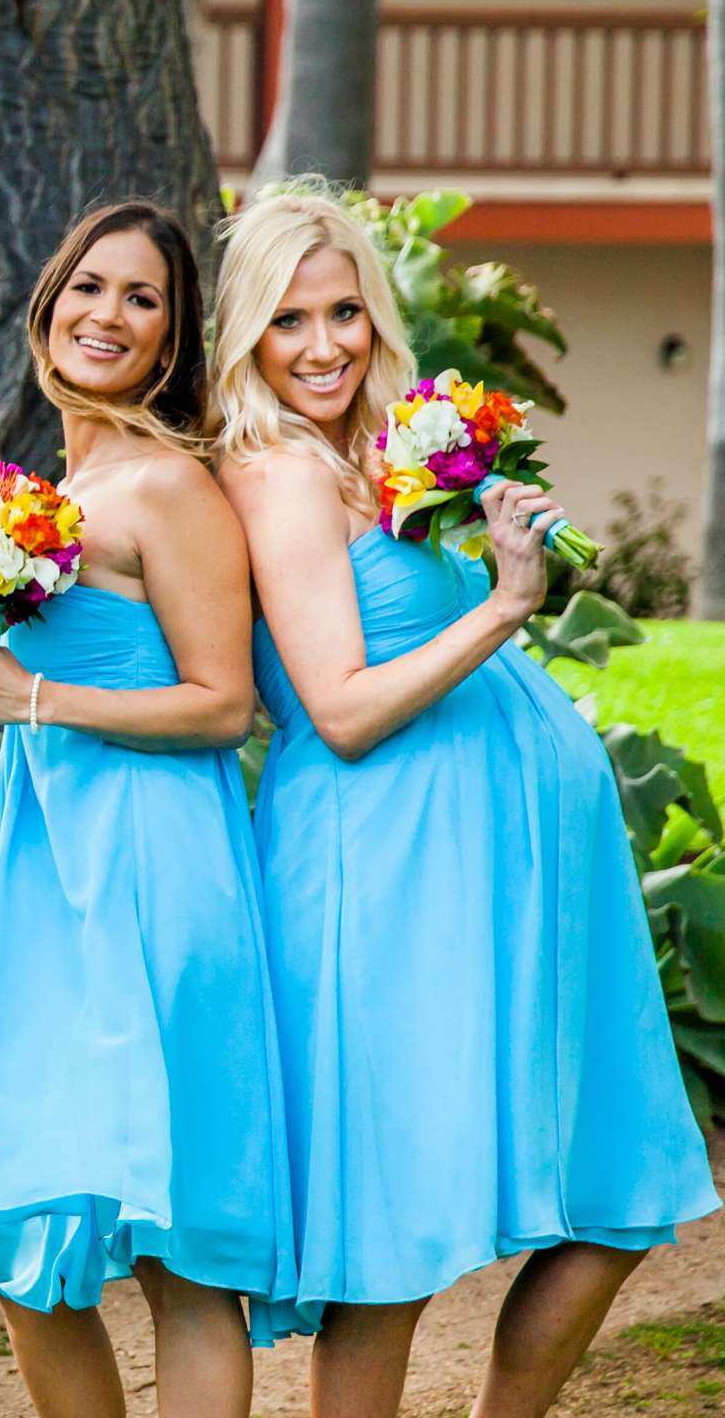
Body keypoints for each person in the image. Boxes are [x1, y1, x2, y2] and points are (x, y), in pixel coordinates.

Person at [211, 185, 717, 1415]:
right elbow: (336, 706)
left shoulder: (384, 448)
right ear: (247, 338)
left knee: (626, 1185)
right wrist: (502, 604)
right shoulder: (277, 472)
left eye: (343, 312)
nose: (324, 344)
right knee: (388, 1242)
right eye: (288, 322)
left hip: (521, 864)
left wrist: (496, 539)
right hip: (386, 873)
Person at [0, 201, 296, 1418]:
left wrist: (28, 694)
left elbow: (220, 704)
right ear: (49, 303)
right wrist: (12, 832)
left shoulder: (167, 488)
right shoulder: (53, 489)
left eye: (143, 301)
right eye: (91, 286)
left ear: (170, 341)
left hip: (155, 871)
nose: (109, 315)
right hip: (52, 871)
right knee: (31, 1245)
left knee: (176, 1254)